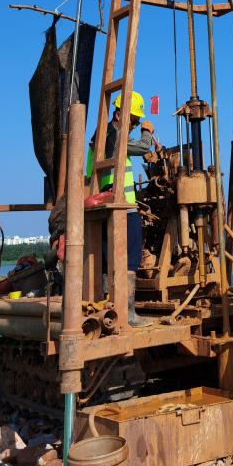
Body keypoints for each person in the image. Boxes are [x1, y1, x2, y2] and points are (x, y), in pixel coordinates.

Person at [85, 91, 155, 327]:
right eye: (133, 120)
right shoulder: (117, 136)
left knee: (107, 259)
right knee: (131, 259)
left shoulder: (99, 137)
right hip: (123, 207)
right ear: (118, 115)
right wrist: (147, 130)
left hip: (103, 205)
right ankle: (128, 313)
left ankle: (107, 310)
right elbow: (144, 147)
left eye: (137, 122)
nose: (134, 125)